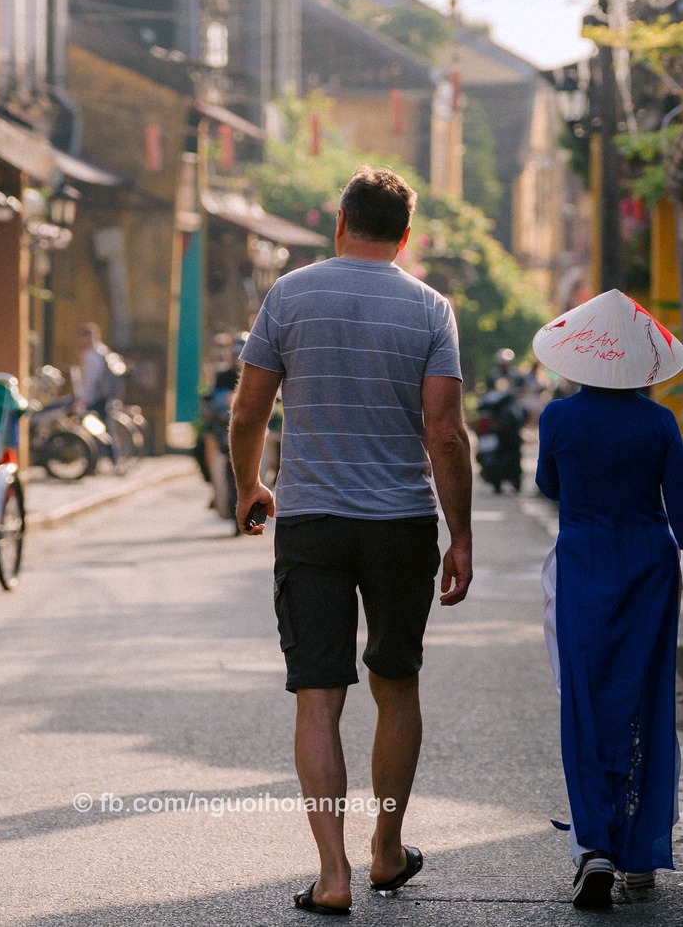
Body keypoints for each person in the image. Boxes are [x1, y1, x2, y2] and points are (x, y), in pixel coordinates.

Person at [229, 166, 473, 917]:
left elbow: (247, 413)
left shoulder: (289, 295)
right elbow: (444, 432)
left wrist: (249, 485)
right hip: (401, 523)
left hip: (312, 523)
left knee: (317, 696)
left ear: (341, 222)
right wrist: (458, 534)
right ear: (404, 237)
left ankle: (332, 873)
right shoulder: (431, 308)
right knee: (396, 685)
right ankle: (387, 848)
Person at [530, 289, 683, 911]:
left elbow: (548, 485)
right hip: (651, 571)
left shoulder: (557, 418)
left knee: (584, 700)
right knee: (643, 700)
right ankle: (639, 854)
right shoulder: (658, 423)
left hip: (583, 563)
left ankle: (597, 846)